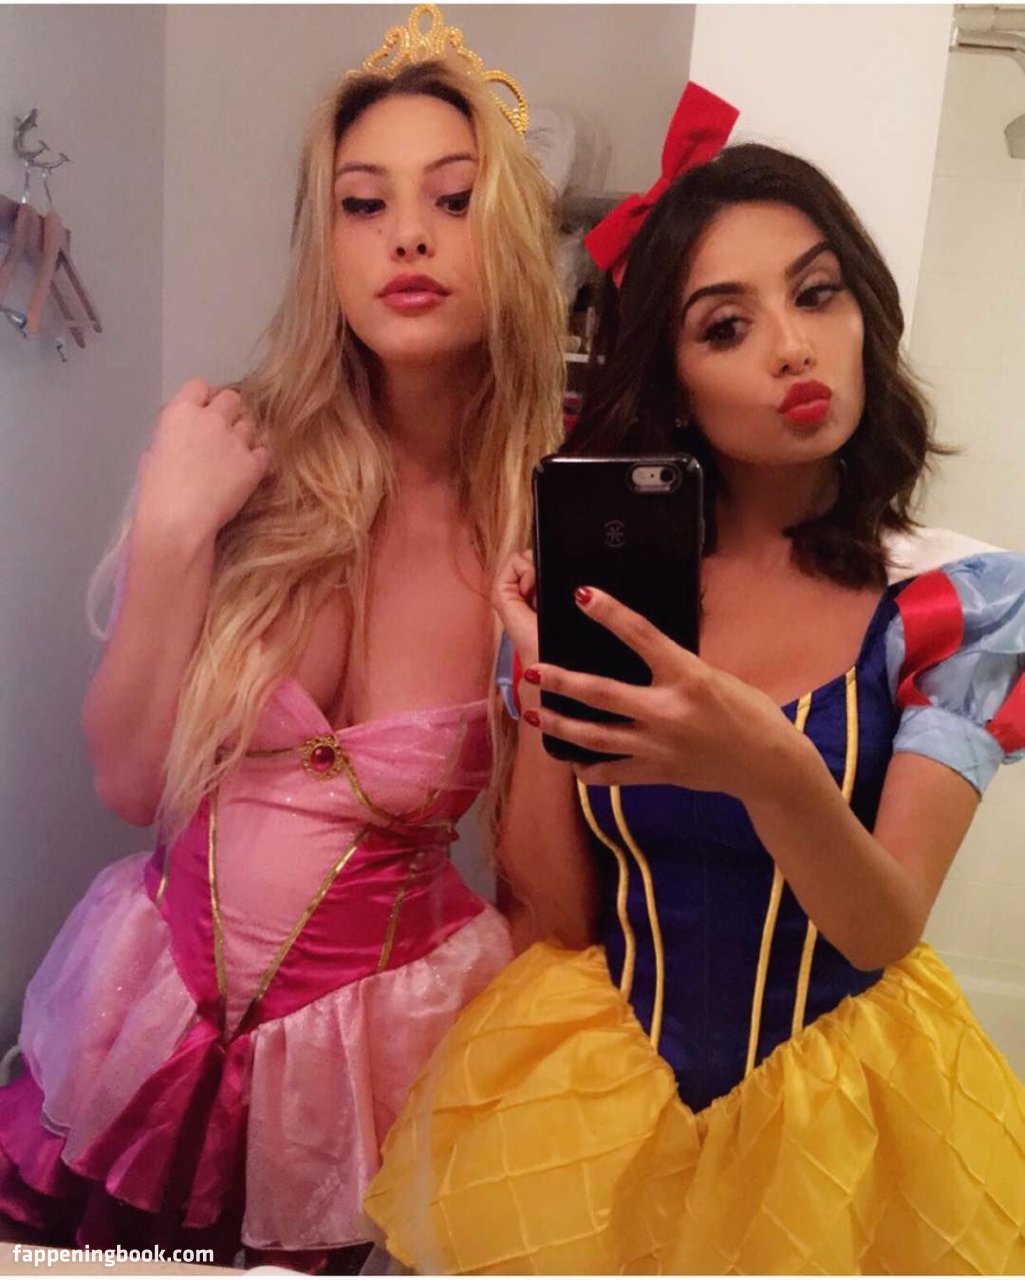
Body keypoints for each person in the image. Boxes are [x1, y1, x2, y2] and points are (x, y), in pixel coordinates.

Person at [364, 85, 1025, 1275]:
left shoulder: (950, 600)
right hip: (595, 1099)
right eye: (724, 325)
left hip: (842, 1130)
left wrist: (771, 770)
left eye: (815, 293)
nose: (790, 346)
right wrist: (536, 681)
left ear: (864, 313)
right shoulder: (609, 599)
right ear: (669, 379)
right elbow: (558, 918)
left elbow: (880, 924)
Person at [0, 7, 566, 1269]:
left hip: (371, 1060)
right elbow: (130, 780)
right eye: (364, 203)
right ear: (326, 242)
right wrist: (170, 531)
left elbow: (545, 906)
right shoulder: (232, 452)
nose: (407, 234)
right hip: (144, 1010)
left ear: (513, 236)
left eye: (453, 198)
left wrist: (549, 690)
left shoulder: (539, 522)